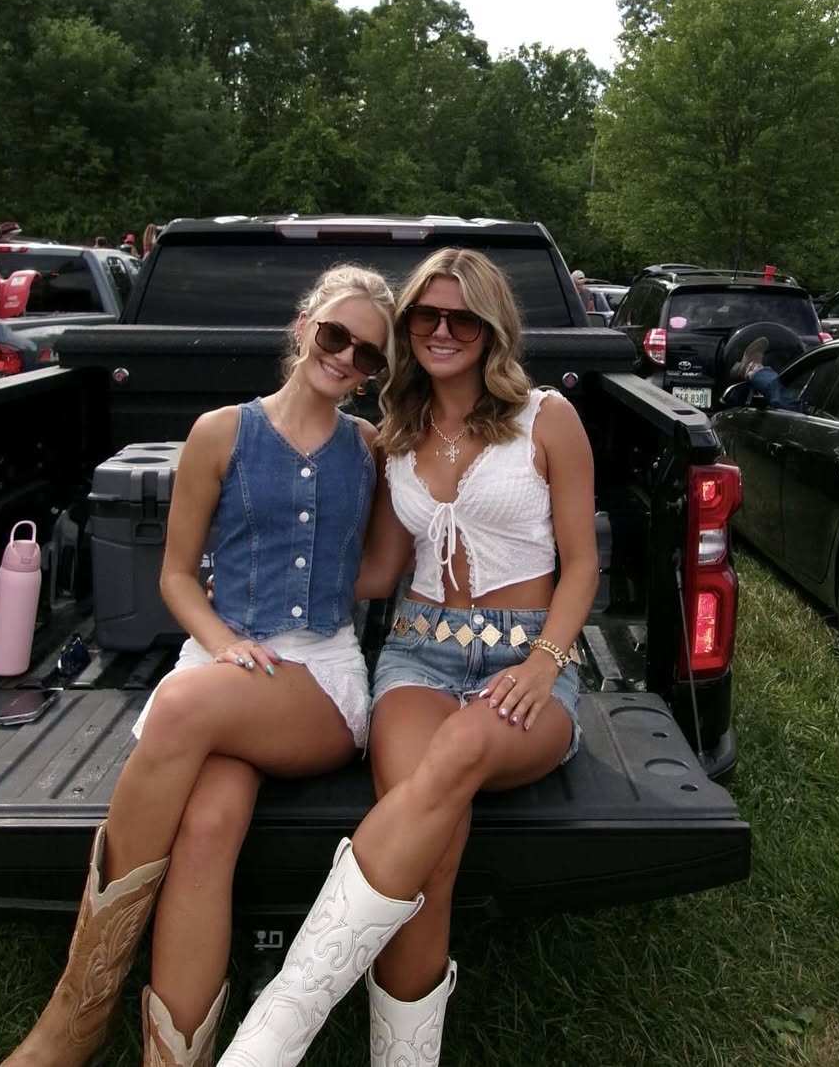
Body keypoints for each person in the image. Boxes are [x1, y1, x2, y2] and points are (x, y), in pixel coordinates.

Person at [0, 264, 396, 1067]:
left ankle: (72, 1019)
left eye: (368, 354)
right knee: (209, 826)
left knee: (182, 710)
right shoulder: (220, 433)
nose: (346, 357)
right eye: (335, 335)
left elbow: (384, 569)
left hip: (319, 675)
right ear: (304, 327)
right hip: (224, 658)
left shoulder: (369, 449)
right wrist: (221, 641)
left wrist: (312, 586)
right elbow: (178, 575)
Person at [217, 248, 597, 1067]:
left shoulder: (547, 419)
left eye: (464, 318)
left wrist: (543, 663)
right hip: (419, 654)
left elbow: (583, 565)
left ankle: (274, 1031)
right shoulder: (396, 436)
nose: (443, 330)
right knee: (436, 844)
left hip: (527, 656)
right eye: (427, 314)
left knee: (459, 752)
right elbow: (379, 570)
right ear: (407, 327)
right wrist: (261, 575)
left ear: (493, 328)